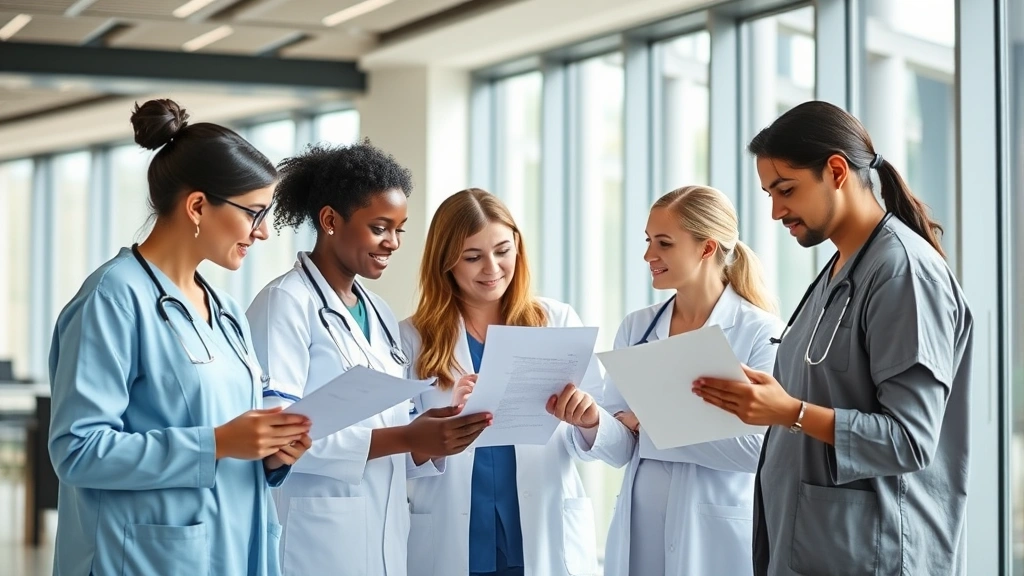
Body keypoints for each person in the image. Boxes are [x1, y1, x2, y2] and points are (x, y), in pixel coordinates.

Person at [693, 100, 973, 576]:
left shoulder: (902, 273)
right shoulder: (840, 268)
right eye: (769, 193)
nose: (777, 209)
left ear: (837, 171)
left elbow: (909, 439)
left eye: (786, 189)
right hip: (814, 544)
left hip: (872, 551)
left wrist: (790, 412)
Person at [48, 99, 311, 576]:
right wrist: (216, 443)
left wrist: (270, 455)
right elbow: (78, 451)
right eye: (255, 212)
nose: (265, 231)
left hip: (232, 549)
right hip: (145, 558)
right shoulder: (112, 300)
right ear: (197, 206)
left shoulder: (227, 313)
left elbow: (230, 441)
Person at [246, 142, 492, 576]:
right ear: (330, 221)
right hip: (316, 540)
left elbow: (388, 423)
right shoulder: (285, 302)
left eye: (400, 229)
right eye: (380, 227)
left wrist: (431, 432)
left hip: (386, 534)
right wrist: (406, 439)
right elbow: (275, 437)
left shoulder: (376, 311)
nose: (393, 243)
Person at [400, 188, 633, 576]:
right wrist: (441, 430)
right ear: (446, 263)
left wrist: (590, 421)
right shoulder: (411, 338)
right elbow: (397, 460)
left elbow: (618, 449)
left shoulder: (556, 320)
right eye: (473, 257)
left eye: (502, 251)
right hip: (450, 540)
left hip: (541, 536)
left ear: (518, 248)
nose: (491, 268)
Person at [572, 185, 782, 576]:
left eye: (664, 243)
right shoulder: (637, 326)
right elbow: (621, 449)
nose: (648, 255)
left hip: (715, 538)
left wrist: (647, 424)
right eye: (649, 241)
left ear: (706, 248)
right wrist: (593, 423)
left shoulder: (761, 333)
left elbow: (759, 450)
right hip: (641, 533)